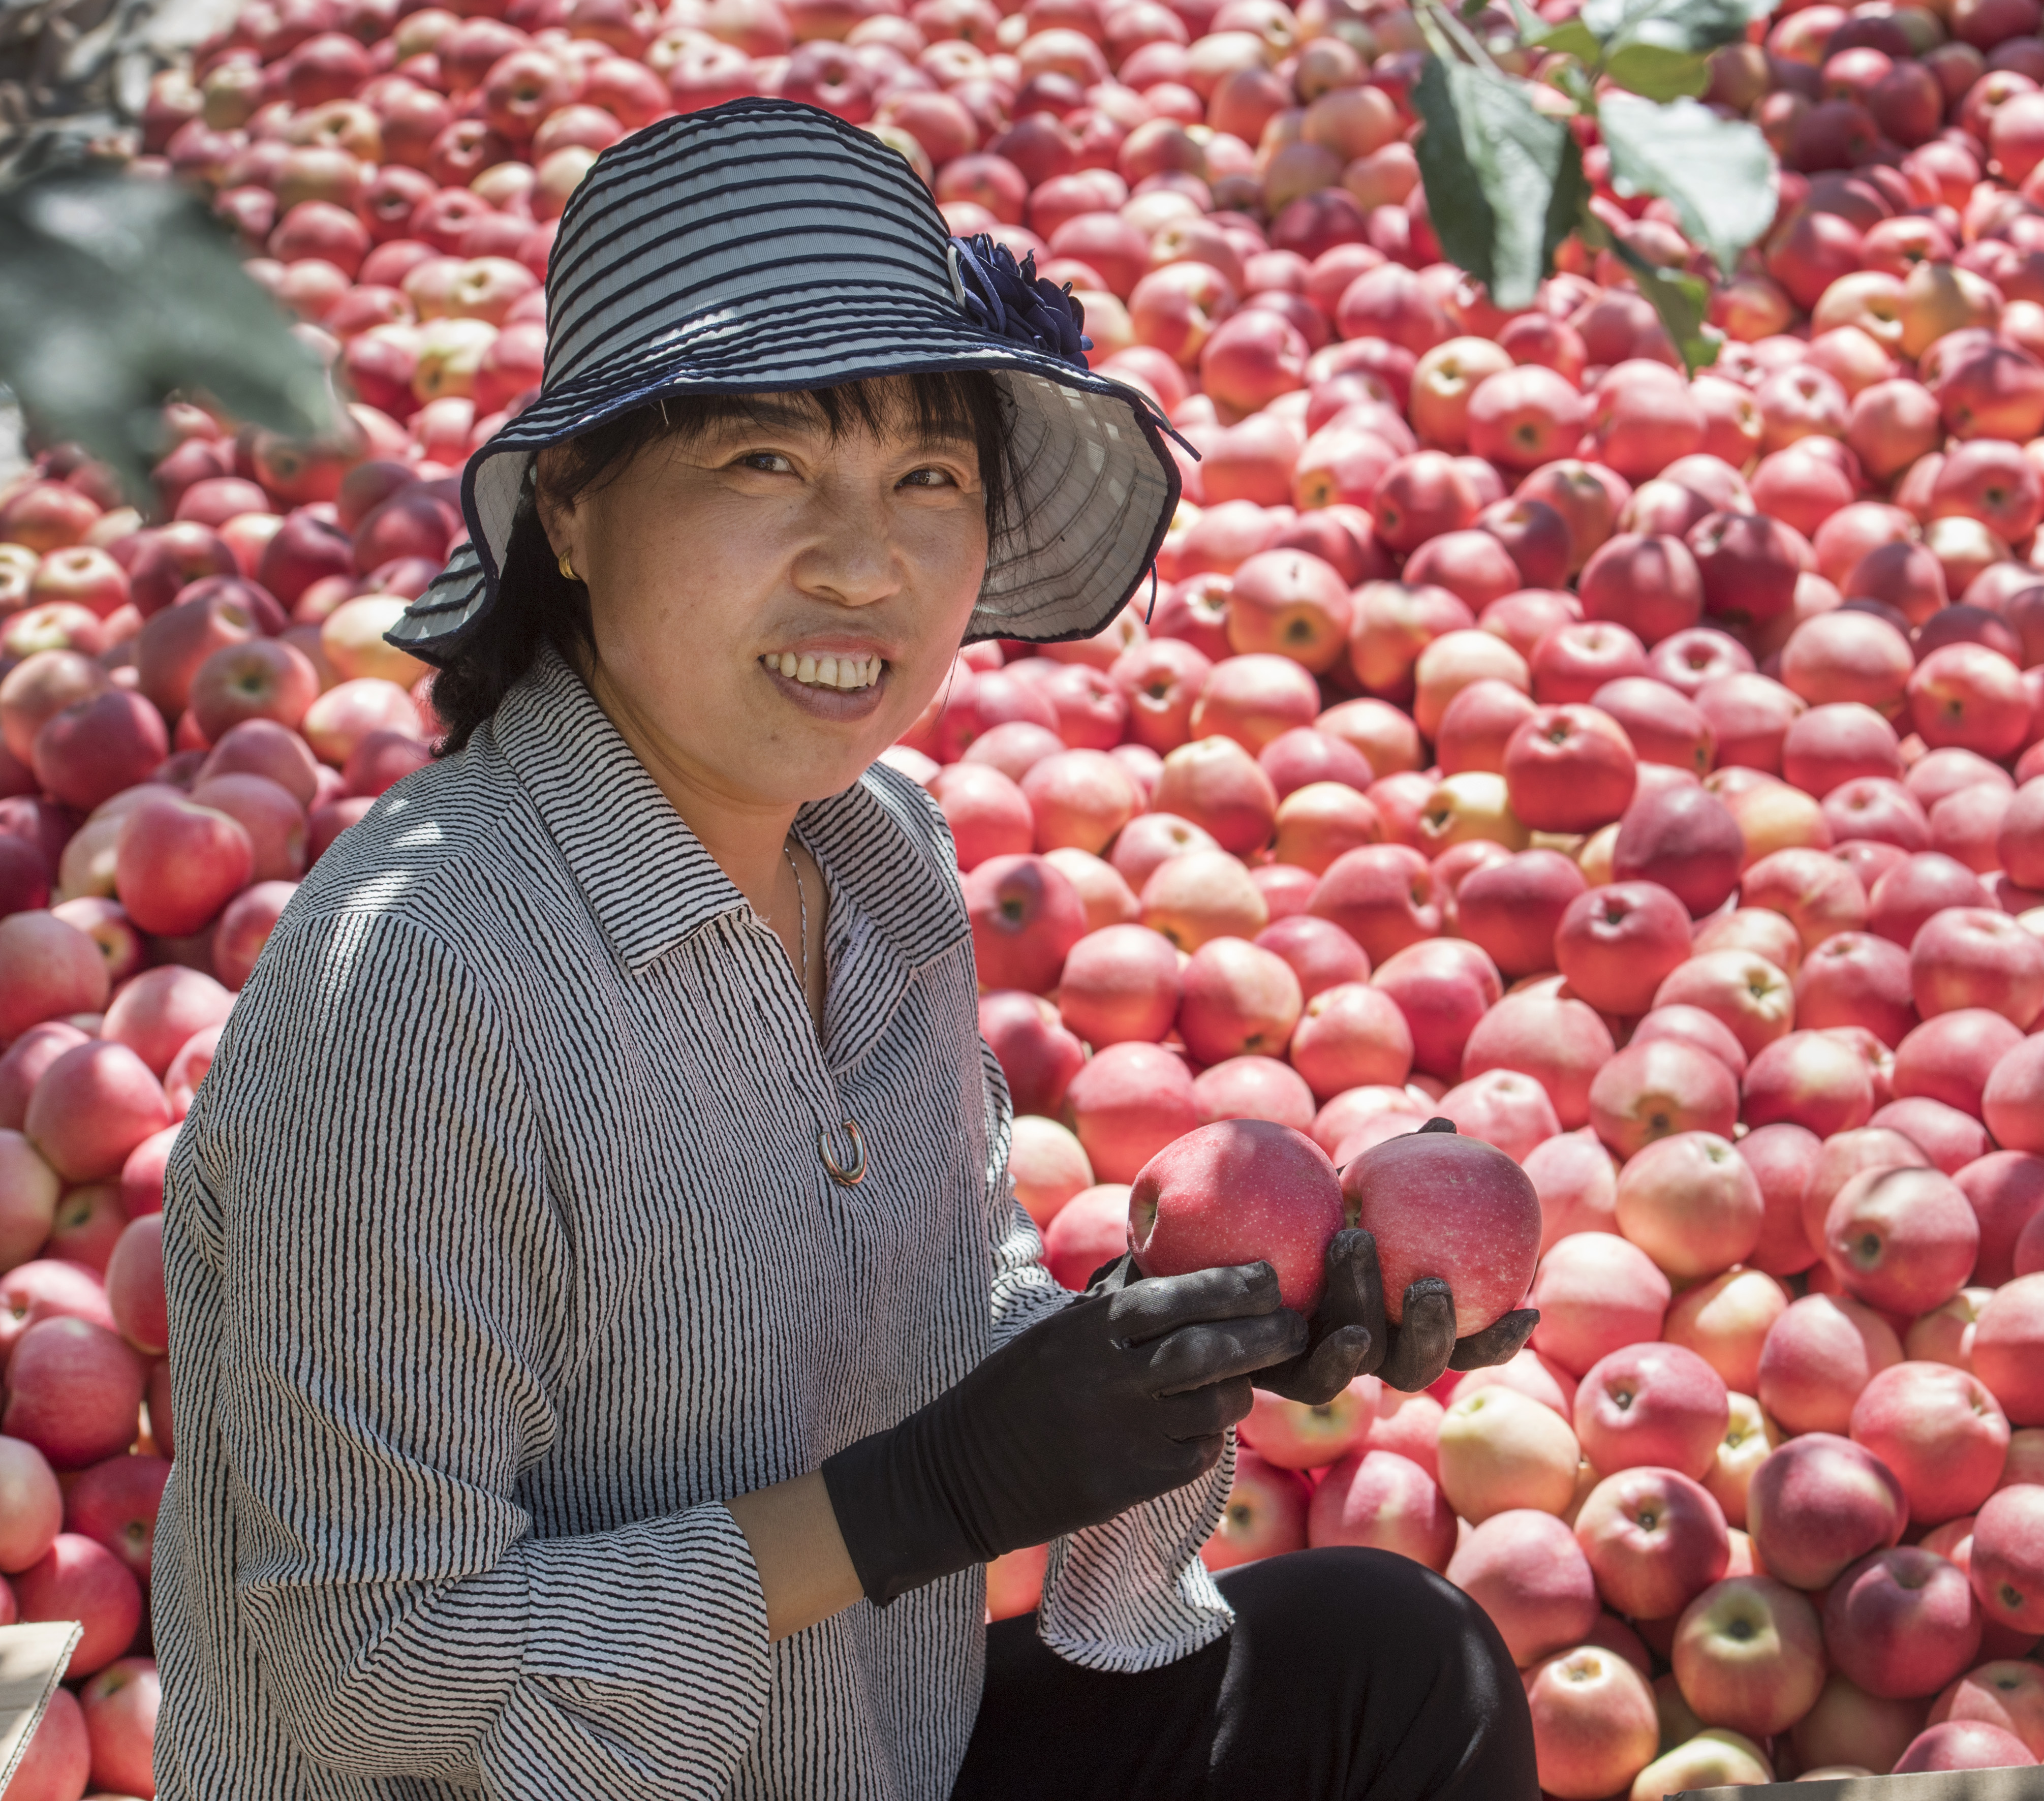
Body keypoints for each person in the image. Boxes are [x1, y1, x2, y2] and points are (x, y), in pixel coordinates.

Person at [150, 97, 1540, 1801]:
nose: (863, 562)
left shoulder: (883, 858)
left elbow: (942, 1322)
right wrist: (919, 1506)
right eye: (763, 462)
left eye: (926, 477)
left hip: (863, 1754)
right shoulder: (428, 982)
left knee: (1397, 1668)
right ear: (573, 511)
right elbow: (372, 1673)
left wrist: (1179, 1348)